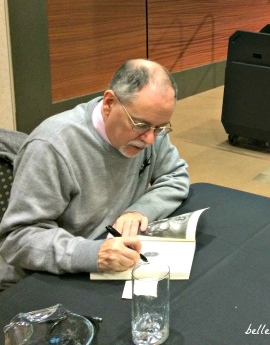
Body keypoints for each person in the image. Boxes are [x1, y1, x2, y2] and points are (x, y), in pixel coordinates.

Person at [0, 59, 190, 290]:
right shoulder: (52, 147)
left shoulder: (149, 127)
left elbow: (175, 175)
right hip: (49, 277)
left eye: (160, 128)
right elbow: (18, 239)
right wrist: (92, 254)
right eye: (140, 125)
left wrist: (140, 210)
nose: (150, 139)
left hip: (112, 259)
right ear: (109, 103)